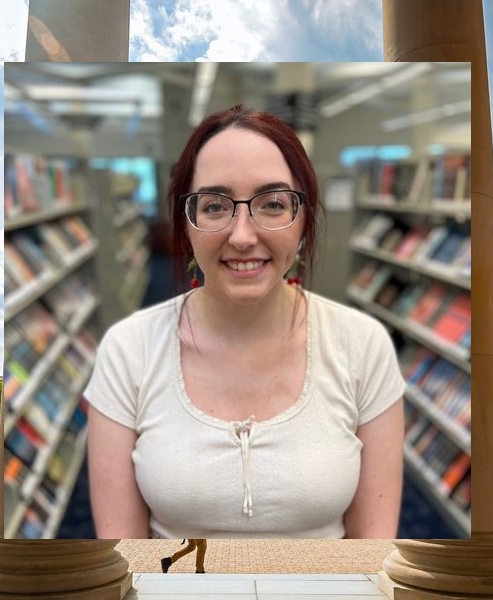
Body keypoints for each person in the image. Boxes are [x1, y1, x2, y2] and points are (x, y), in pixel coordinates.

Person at [85, 104, 406, 539]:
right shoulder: (128, 349)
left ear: (304, 220)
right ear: (188, 222)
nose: (241, 236)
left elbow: (373, 556)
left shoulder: (363, 345)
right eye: (215, 206)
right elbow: (124, 562)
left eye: (273, 204)